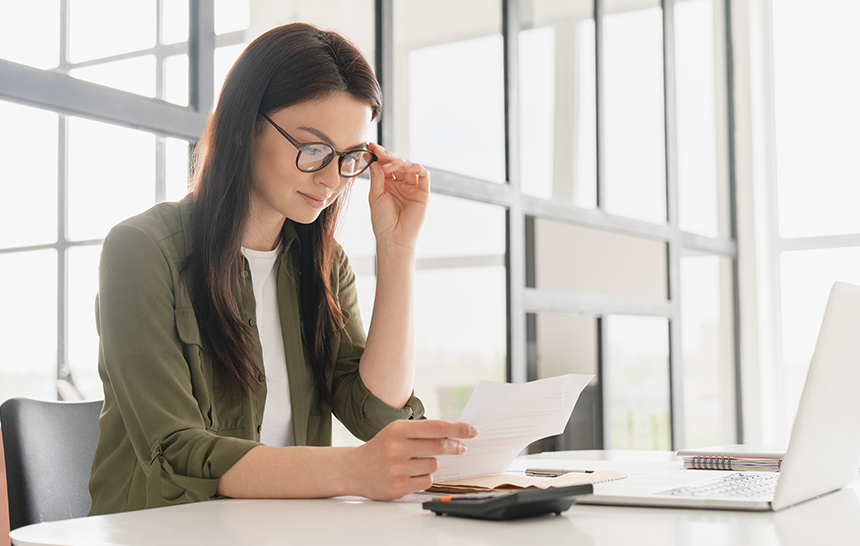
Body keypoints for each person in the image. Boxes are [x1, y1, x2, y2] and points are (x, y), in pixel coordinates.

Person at [88, 22, 476, 515]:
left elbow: (376, 414)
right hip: (162, 531)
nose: (334, 179)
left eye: (348, 157)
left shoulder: (324, 264)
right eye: (313, 149)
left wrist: (397, 249)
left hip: (282, 527)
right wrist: (352, 470)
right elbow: (177, 452)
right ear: (245, 126)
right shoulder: (142, 250)